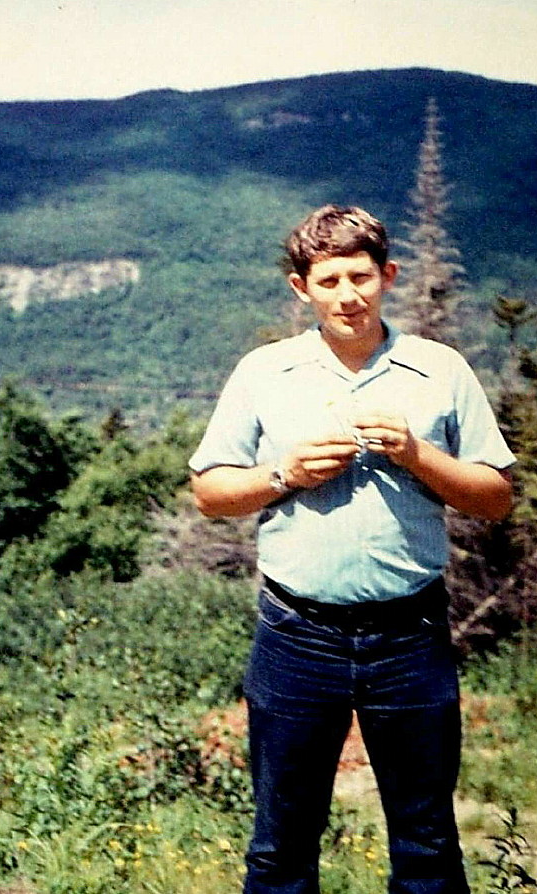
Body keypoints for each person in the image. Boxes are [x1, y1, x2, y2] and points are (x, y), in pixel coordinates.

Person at [189, 204, 515, 893]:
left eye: (361, 277)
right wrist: (287, 474)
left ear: (388, 276)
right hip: (296, 634)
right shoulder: (265, 372)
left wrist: (417, 453)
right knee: (280, 848)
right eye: (329, 279)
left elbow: (494, 498)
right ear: (301, 288)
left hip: (411, 634)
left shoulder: (439, 369)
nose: (348, 295)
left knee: (427, 847)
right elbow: (210, 493)